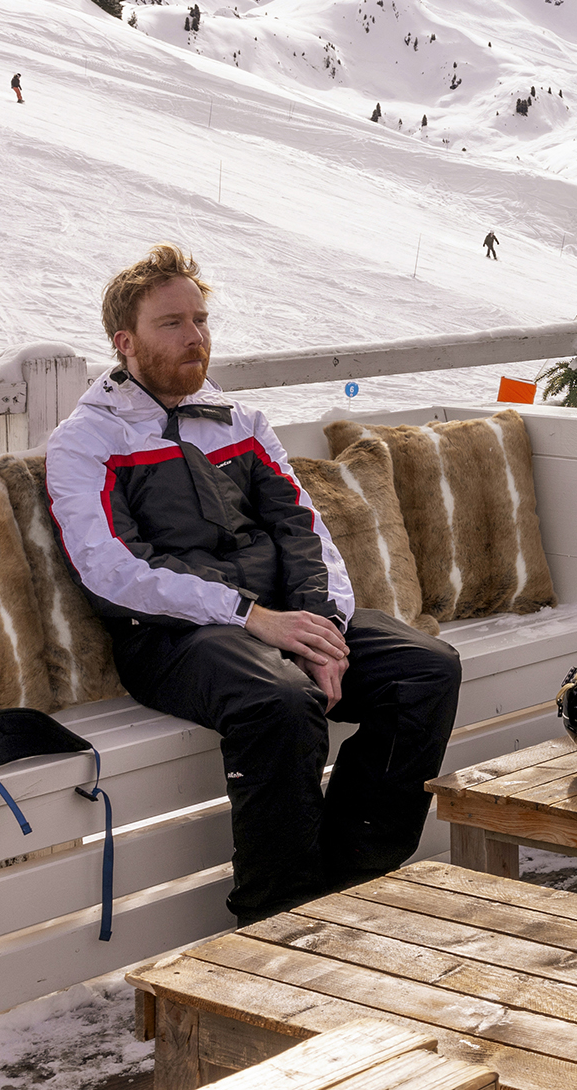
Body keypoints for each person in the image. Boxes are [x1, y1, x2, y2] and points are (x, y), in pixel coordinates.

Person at [45, 245, 461, 924]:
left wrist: (323, 630)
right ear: (126, 343)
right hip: (176, 635)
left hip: (283, 618)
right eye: (172, 323)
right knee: (280, 700)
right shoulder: (86, 440)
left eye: (201, 320)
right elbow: (112, 571)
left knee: (425, 669)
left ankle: (355, 878)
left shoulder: (240, 422)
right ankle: (277, 915)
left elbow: (302, 529)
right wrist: (251, 616)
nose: (195, 336)